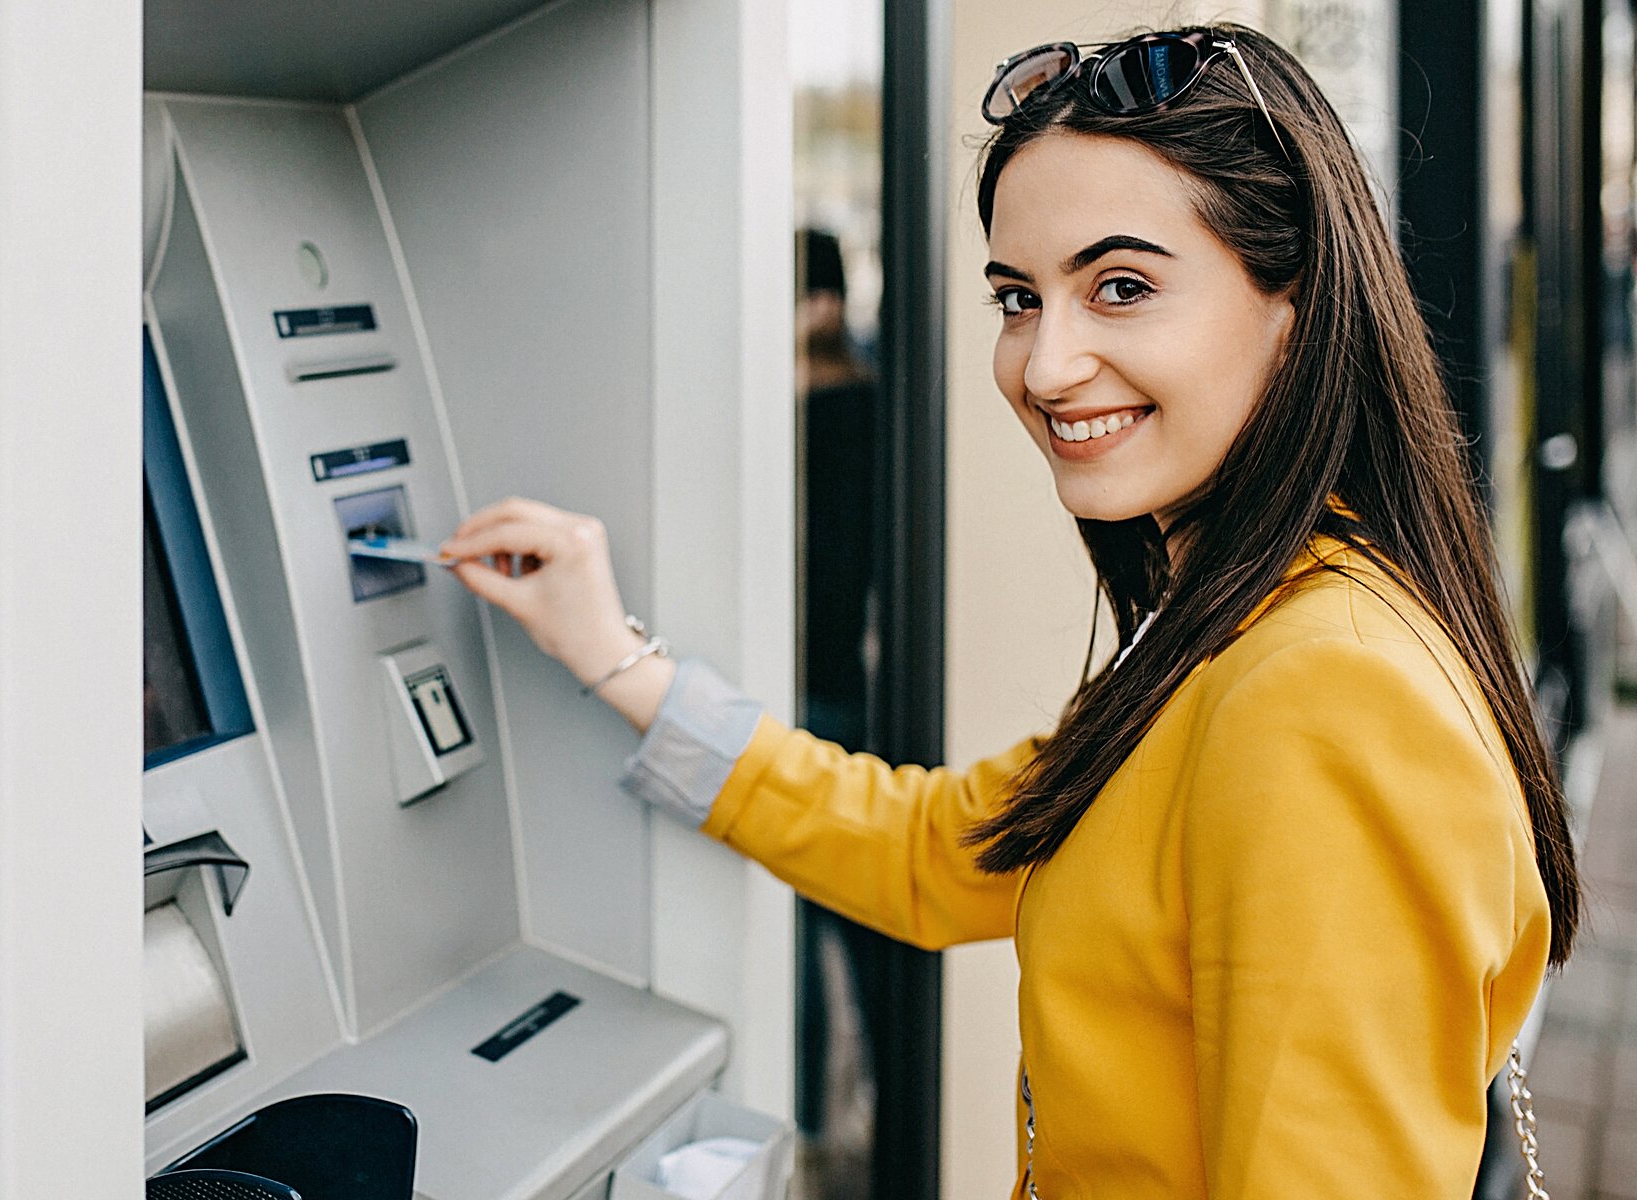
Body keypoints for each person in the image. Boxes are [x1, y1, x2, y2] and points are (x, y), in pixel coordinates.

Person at [437, 23, 1580, 1198]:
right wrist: (614, 659)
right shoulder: (1236, 625)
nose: (1044, 366)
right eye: (1019, 299)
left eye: (1122, 288)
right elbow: (936, 852)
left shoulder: (1322, 695)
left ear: (1296, 304)